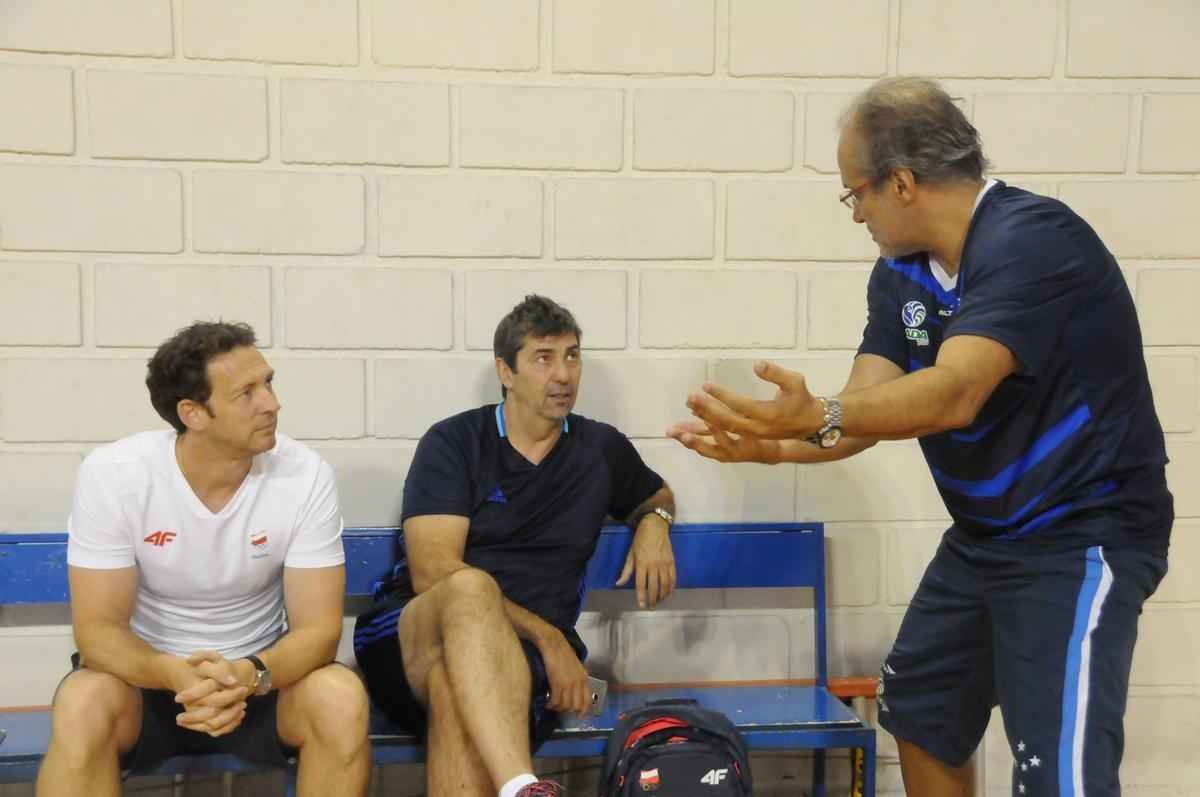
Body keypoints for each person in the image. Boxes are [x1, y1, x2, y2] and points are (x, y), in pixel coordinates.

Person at [668, 77, 1172, 797]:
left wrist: (816, 416)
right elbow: (864, 406)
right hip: (986, 537)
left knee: (1057, 772)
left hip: (1080, 534)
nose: (856, 215)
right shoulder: (899, 274)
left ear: (901, 183)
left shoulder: (1033, 241)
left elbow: (955, 392)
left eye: (857, 194)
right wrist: (770, 443)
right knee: (921, 705)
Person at [355, 295, 677, 797]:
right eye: (544, 358)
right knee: (469, 588)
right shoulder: (455, 443)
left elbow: (654, 494)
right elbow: (432, 571)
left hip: (517, 658)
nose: (564, 374)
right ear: (505, 371)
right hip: (410, 633)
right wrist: (551, 639)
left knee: (455, 691)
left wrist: (655, 522)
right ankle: (521, 784)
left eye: (572, 356)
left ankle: (518, 790)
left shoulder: (600, 449)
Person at [37, 321, 371, 797]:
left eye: (269, 383)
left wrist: (247, 675)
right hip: (146, 680)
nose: (272, 404)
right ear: (193, 413)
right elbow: (98, 633)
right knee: (81, 702)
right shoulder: (115, 475)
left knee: (340, 697)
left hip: (260, 678)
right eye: (246, 393)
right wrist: (175, 675)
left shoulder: (305, 474)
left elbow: (318, 632)